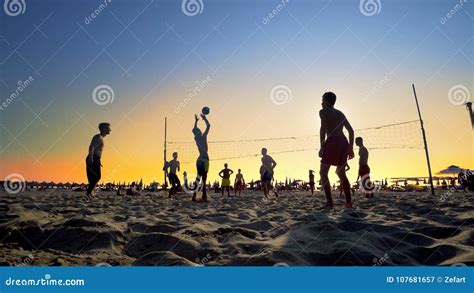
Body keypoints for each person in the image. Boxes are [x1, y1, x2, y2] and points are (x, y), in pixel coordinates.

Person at [318, 92, 354, 208]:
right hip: (343, 142)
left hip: (333, 141)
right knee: (341, 173)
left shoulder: (323, 112)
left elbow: (323, 128)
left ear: (327, 101)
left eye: (323, 100)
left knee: (323, 172)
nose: (321, 102)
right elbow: (351, 131)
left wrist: (322, 146)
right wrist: (350, 148)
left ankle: (330, 202)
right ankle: (348, 202)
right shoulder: (340, 113)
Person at [85, 122, 111, 200]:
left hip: (96, 158)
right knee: (97, 177)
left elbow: (98, 150)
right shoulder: (98, 136)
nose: (110, 130)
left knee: (94, 178)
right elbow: (91, 146)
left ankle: (89, 193)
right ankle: (88, 193)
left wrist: (99, 161)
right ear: (104, 129)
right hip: (93, 157)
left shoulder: (101, 138)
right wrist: (91, 157)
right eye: (109, 128)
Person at [192, 113, 211, 202]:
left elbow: (194, 130)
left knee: (198, 177)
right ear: (199, 132)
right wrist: (204, 119)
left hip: (199, 160)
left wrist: (195, 122)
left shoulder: (196, 138)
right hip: (205, 159)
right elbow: (208, 126)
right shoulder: (203, 137)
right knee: (204, 178)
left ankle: (194, 195)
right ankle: (204, 195)